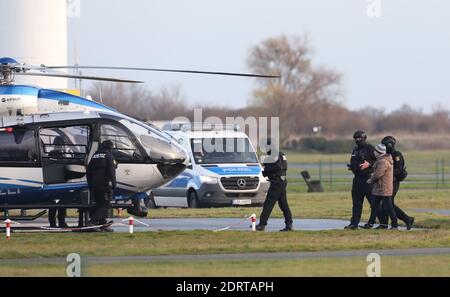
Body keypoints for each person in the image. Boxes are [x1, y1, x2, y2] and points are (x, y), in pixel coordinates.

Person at [376, 136, 414, 230]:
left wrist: (386, 172)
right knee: (387, 203)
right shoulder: (384, 154)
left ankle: (405, 219)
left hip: (394, 182)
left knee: (388, 203)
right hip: (385, 182)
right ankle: (385, 224)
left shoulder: (396, 154)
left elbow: (398, 169)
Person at [255, 142, 293, 232]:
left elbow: (277, 167)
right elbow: (284, 167)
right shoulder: (281, 154)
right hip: (283, 181)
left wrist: (266, 169)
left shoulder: (272, 157)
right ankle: (289, 224)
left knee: (268, 204)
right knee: (283, 205)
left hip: (276, 182)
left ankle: (262, 224)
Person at [345, 130, 376, 229]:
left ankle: (381, 222)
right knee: (356, 203)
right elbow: (353, 161)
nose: (358, 140)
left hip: (368, 179)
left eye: (359, 138)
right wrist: (353, 167)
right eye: (356, 139)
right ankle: (354, 223)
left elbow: (380, 161)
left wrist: (369, 164)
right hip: (357, 179)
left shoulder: (370, 148)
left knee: (373, 202)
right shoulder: (355, 150)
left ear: (364, 138)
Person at [362, 144, 398, 230]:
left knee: (389, 207)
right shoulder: (381, 160)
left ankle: (395, 225)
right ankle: (371, 224)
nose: (374, 152)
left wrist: (370, 180)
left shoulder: (383, 161)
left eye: (375, 151)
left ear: (378, 152)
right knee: (374, 206)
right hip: (379, 188)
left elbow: (378, 174)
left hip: (384, 188)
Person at [86, 140, 117, 232]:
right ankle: (92, 222)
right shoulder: (108, 155)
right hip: (103, 183)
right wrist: (114, 183)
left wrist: (90, 184)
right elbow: (111, 171)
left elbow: (88, 170)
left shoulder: (94, 155)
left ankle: (102, 223)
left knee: (99, 203)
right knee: (105, 203)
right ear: (110, 148)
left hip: (93, 183)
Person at [48, 136, 68, 228]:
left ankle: (58, 222)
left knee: (60, 204)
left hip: (58, 181)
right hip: (56, 182)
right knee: (56, 204)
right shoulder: (54, 154)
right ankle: (57, 222)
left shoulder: (57, 154)